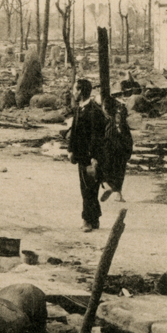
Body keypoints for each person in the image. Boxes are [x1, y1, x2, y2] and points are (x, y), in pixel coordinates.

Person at [67, 78, 106, 232]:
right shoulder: (79, 109)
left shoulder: (94, 111)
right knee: (88, 187)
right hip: (81, 155)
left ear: (81, 91)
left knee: (88, 189)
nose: (73, 92)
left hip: (90, 157)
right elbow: (74, 132)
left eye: (75, 89)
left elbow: (97, 137)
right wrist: (71, 150)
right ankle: (94, 218)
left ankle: (87, 220)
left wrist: (95, 157)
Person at [100, 92, 134, 203]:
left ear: (104, 108)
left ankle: (107, 186)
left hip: (108, 149)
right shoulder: (121, 121)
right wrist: (128, 152)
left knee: (103, 170)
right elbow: (128, 137)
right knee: (119, 172)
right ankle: (119, 194)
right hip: (121, 150)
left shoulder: (106, 121)